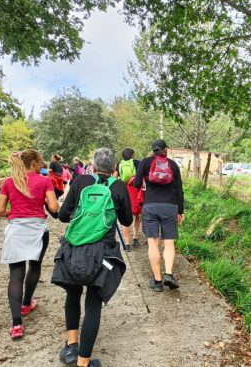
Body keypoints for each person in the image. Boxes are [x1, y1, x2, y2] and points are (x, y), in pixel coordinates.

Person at [52, 148, 132, 367]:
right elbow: (126, 221)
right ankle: (84, 362)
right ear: (114, 168)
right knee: (93, 303)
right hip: (102, 251)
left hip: (74, 247)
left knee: (72, 294)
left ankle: (71, 347)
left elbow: (62, 216)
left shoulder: (81, 181)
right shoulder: (118, 186)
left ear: (93, 167)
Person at [0, 149, 59, 339]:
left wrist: (15, 212)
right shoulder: (44, 180)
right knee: (35, 266)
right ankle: (26, 303)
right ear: (33, 162)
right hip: (38, 230)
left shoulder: (9, 182)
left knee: (16, 275)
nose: (42, 164)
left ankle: (16, 325)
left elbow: (0, 210)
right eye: (40, 161)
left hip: (16, 230)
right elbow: (54, 207)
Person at [134, 139, 184, 292]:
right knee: (169, 243)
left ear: (153, 149)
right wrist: (180, 211)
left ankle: (157, 282)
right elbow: (179, 190)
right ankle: (168, 274)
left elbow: (136, 184)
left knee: (153, 243)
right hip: (170, 207)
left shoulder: (145, 162)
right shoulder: (173, 165)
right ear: (165, 149)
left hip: (150, 206)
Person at [115, 148, 141, 249]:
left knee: (125, 215)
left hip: (123, 189)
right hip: (134, 189)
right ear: (132, 155)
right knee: (136, 214)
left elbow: (115, 176)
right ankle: (135, 237)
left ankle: (127, 243)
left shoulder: (119, 164)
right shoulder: (137, 163)